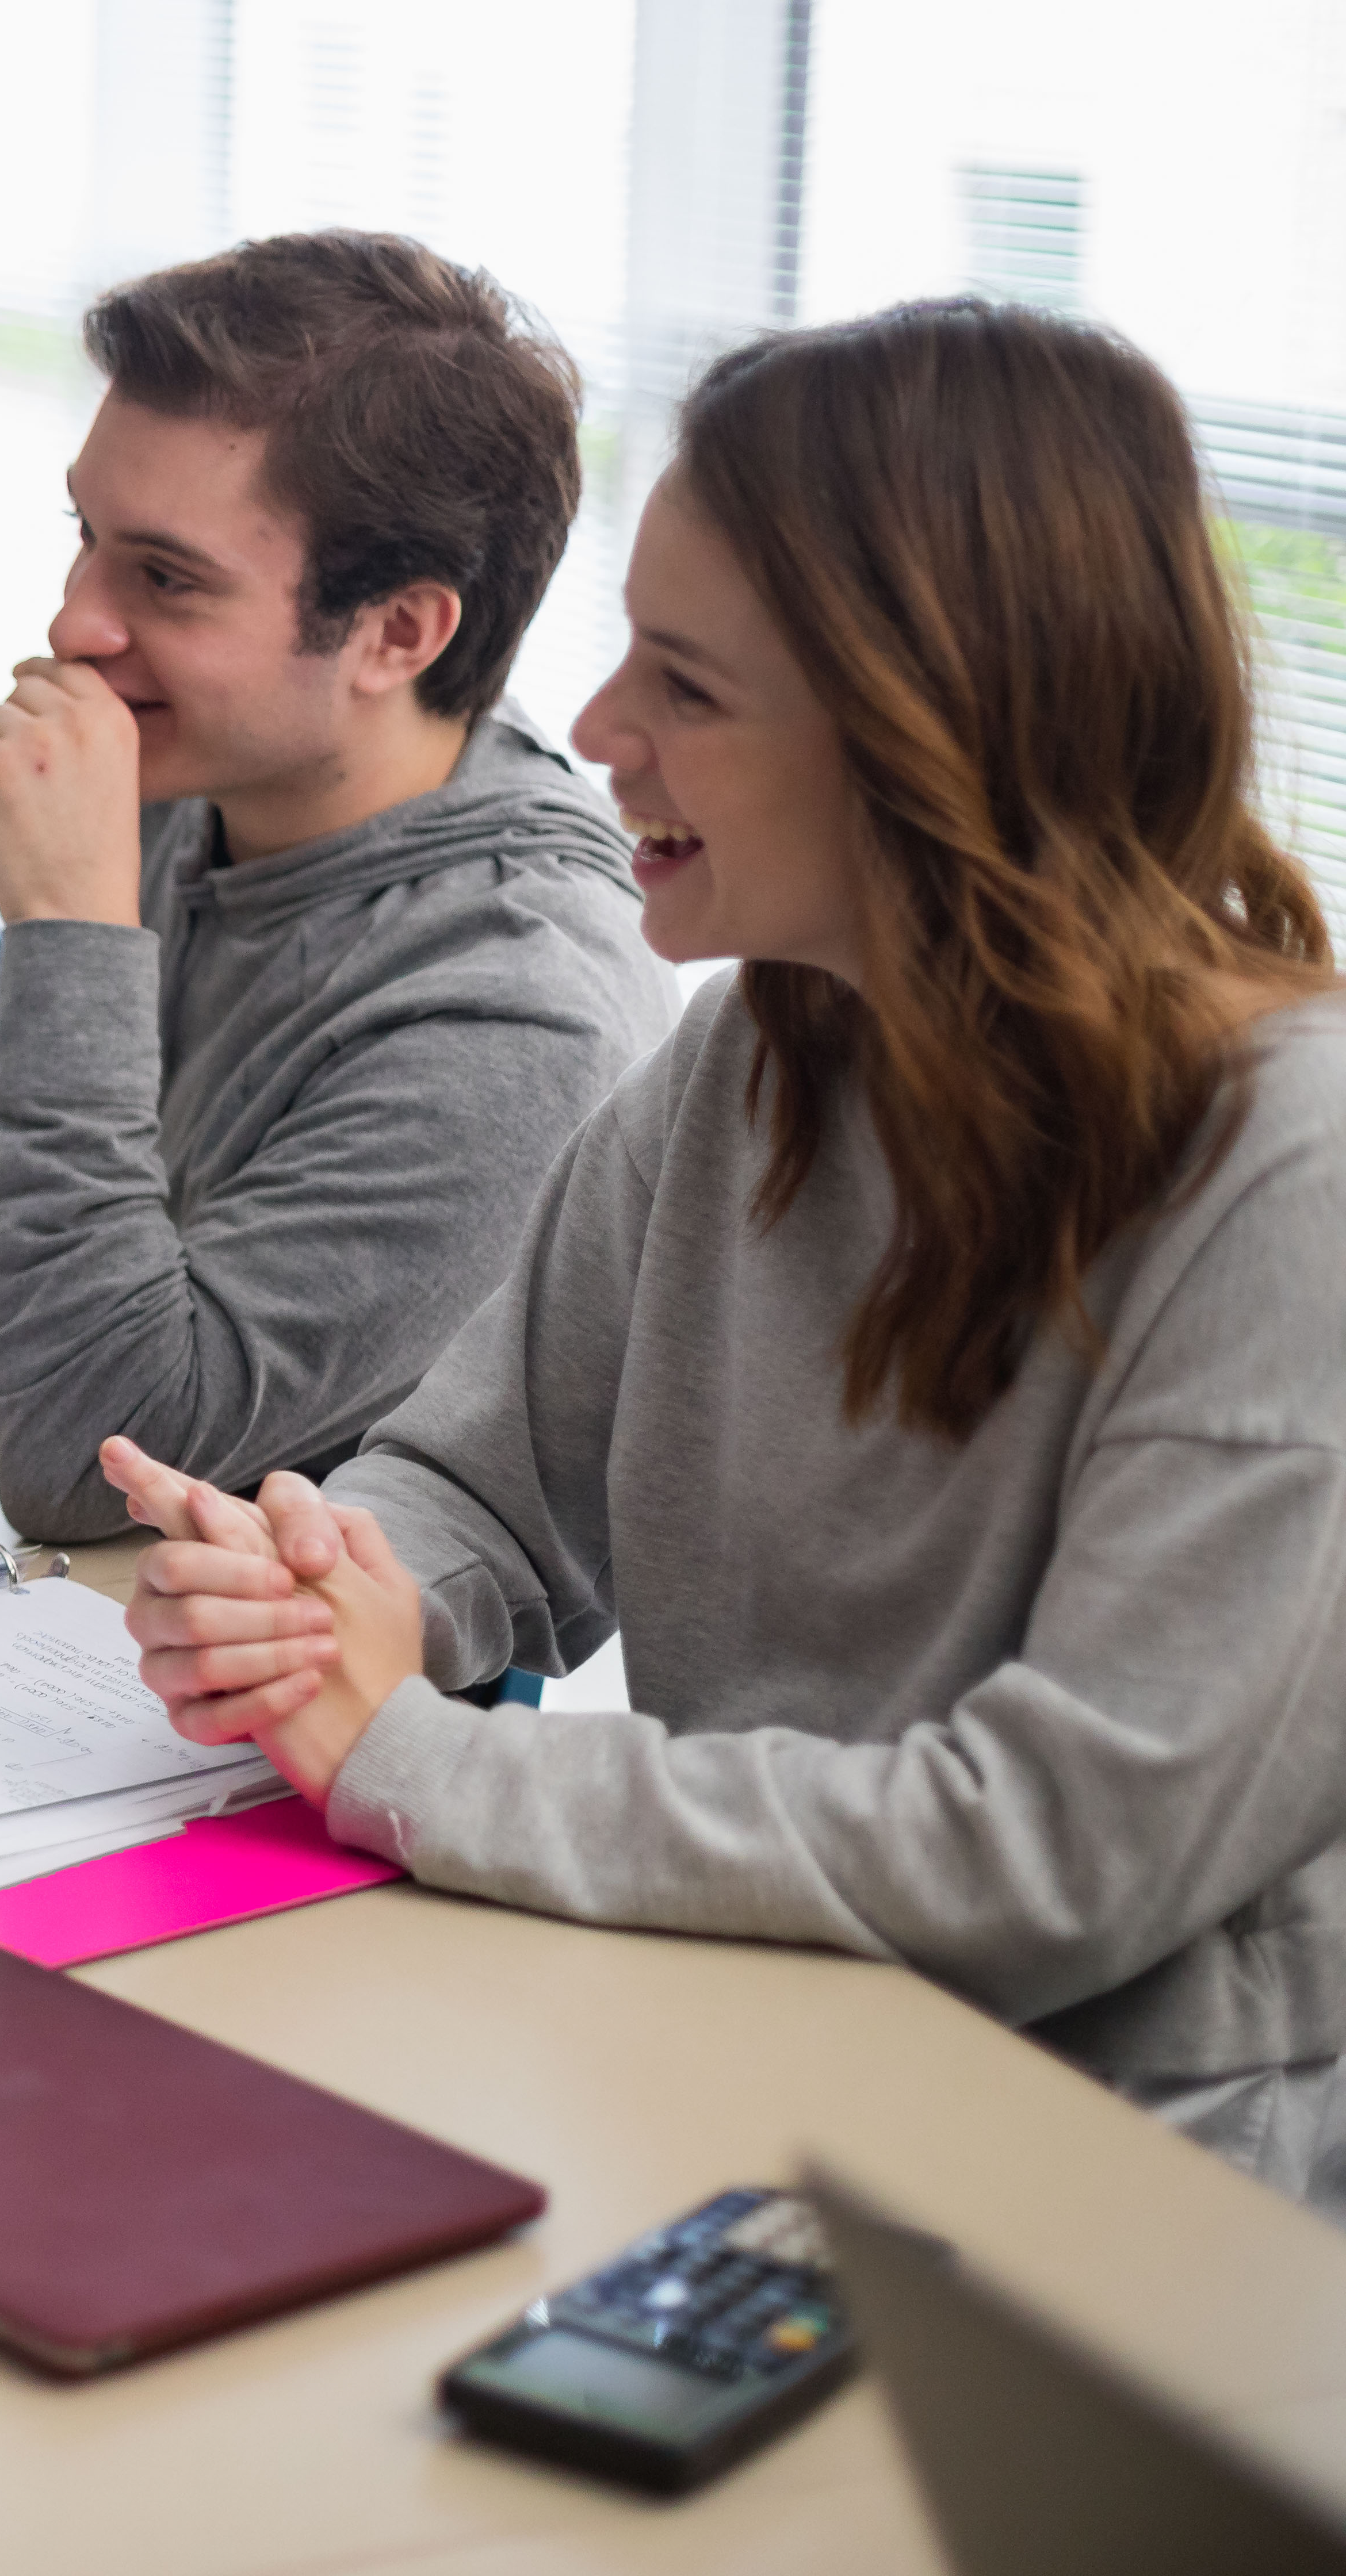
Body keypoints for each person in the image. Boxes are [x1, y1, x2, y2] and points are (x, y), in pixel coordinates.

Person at [108, 299, 1346, 2213]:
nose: (595, 732)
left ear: (931, 736)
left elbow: (1054, 1857)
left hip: (1117, 2169)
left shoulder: (1293, 1172)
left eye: (683, 682)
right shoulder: (764, 1047)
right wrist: (337, 1590)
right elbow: (479, 1486)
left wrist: (414, 1758)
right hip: (748, 2035)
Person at [0, 232, 674, 1542]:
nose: (76, 622)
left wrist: (70, 930)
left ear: (397, 633)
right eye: (85, 537)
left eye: (165, 577)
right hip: (6, 1592)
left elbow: (85, 1458)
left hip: (224, 1700)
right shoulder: (212, 777)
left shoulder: (519, 1006)